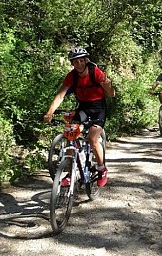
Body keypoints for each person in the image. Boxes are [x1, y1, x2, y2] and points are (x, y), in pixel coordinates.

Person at [43, 47, 115, 187]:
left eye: (81, 60)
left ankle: (101, 168)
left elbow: (112, 94)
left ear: (86, 60)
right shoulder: (72, 76)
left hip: (98, 108)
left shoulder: (96, 72)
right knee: (71, 134)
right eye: (76, 62)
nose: (79, 64)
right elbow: (60, 96)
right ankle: (71, 174)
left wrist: (108, 85)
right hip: (83, 107)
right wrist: (50, 112)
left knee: (93, 139)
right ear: (72, 64)